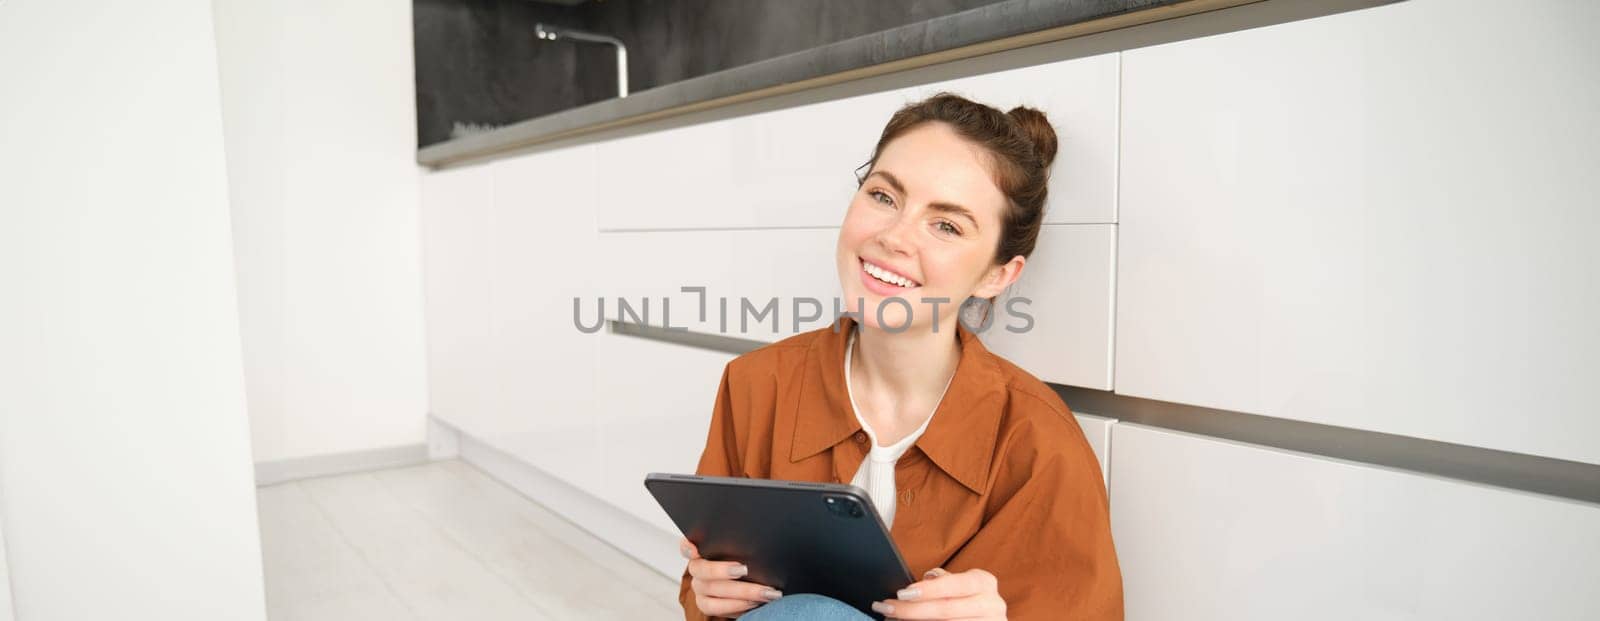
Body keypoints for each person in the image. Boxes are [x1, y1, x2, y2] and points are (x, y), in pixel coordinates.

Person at [677, 92, 1123, 620]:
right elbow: (709, 578)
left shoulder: (1041, 445)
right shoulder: (755, 385)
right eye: (884, 197)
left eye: (947, 225)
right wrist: (709, 594)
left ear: (997, 275)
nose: (893, 237)